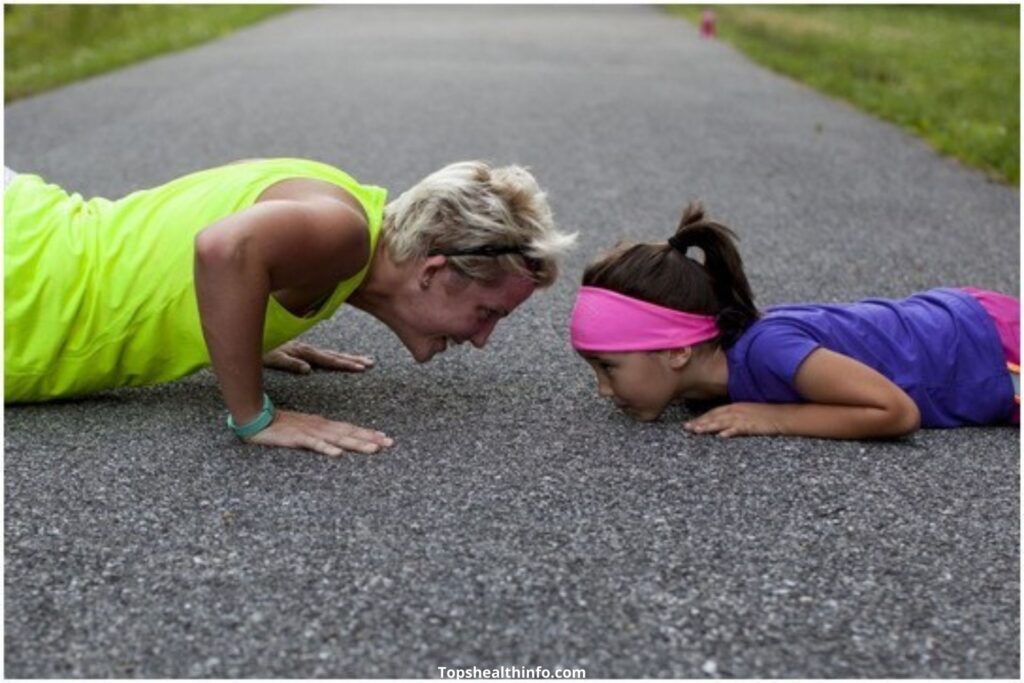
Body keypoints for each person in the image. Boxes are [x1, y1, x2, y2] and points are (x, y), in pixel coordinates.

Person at [5, 158, 576, 455]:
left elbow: (195, 232)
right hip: (23, 282)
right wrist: (256, 416)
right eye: (488, 313)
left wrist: (243, 328)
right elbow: (223, 247)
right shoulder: (344, 233)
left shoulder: (344, 211)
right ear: (434, 270)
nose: (482, 340)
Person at [569, 202, 1019, 440]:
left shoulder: (768, 350)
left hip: (993, 349)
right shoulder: (709, 379)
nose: (603, 389)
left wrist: (774, 418)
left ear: (678, 350)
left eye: (608, 367)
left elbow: (896, 411)